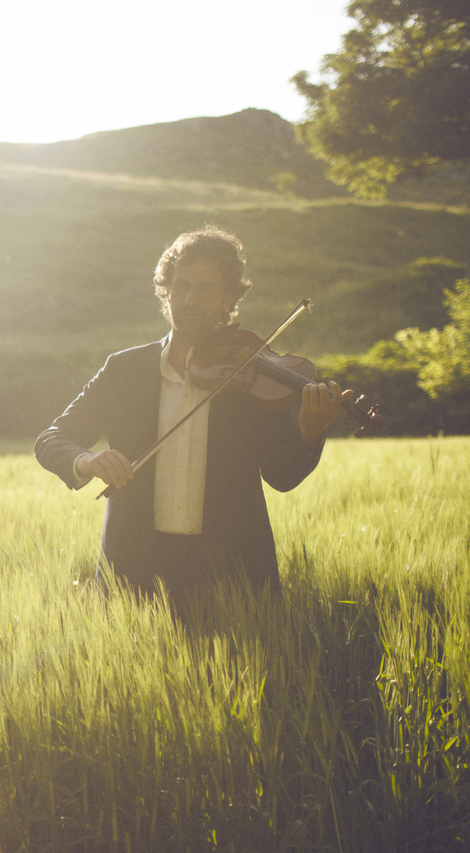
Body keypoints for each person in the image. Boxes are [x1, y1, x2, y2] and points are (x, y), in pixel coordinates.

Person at [34, 227, 344, 609]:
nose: (189, 299)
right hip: (136, 569)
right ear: (165, 291)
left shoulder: (250, 374)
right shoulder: (124, 369)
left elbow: (283, 476)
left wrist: (311, 431)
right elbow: (52, 438)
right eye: (180, 286)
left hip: (231, 574)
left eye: (205, 288)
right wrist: (86, 460)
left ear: (229, 297)